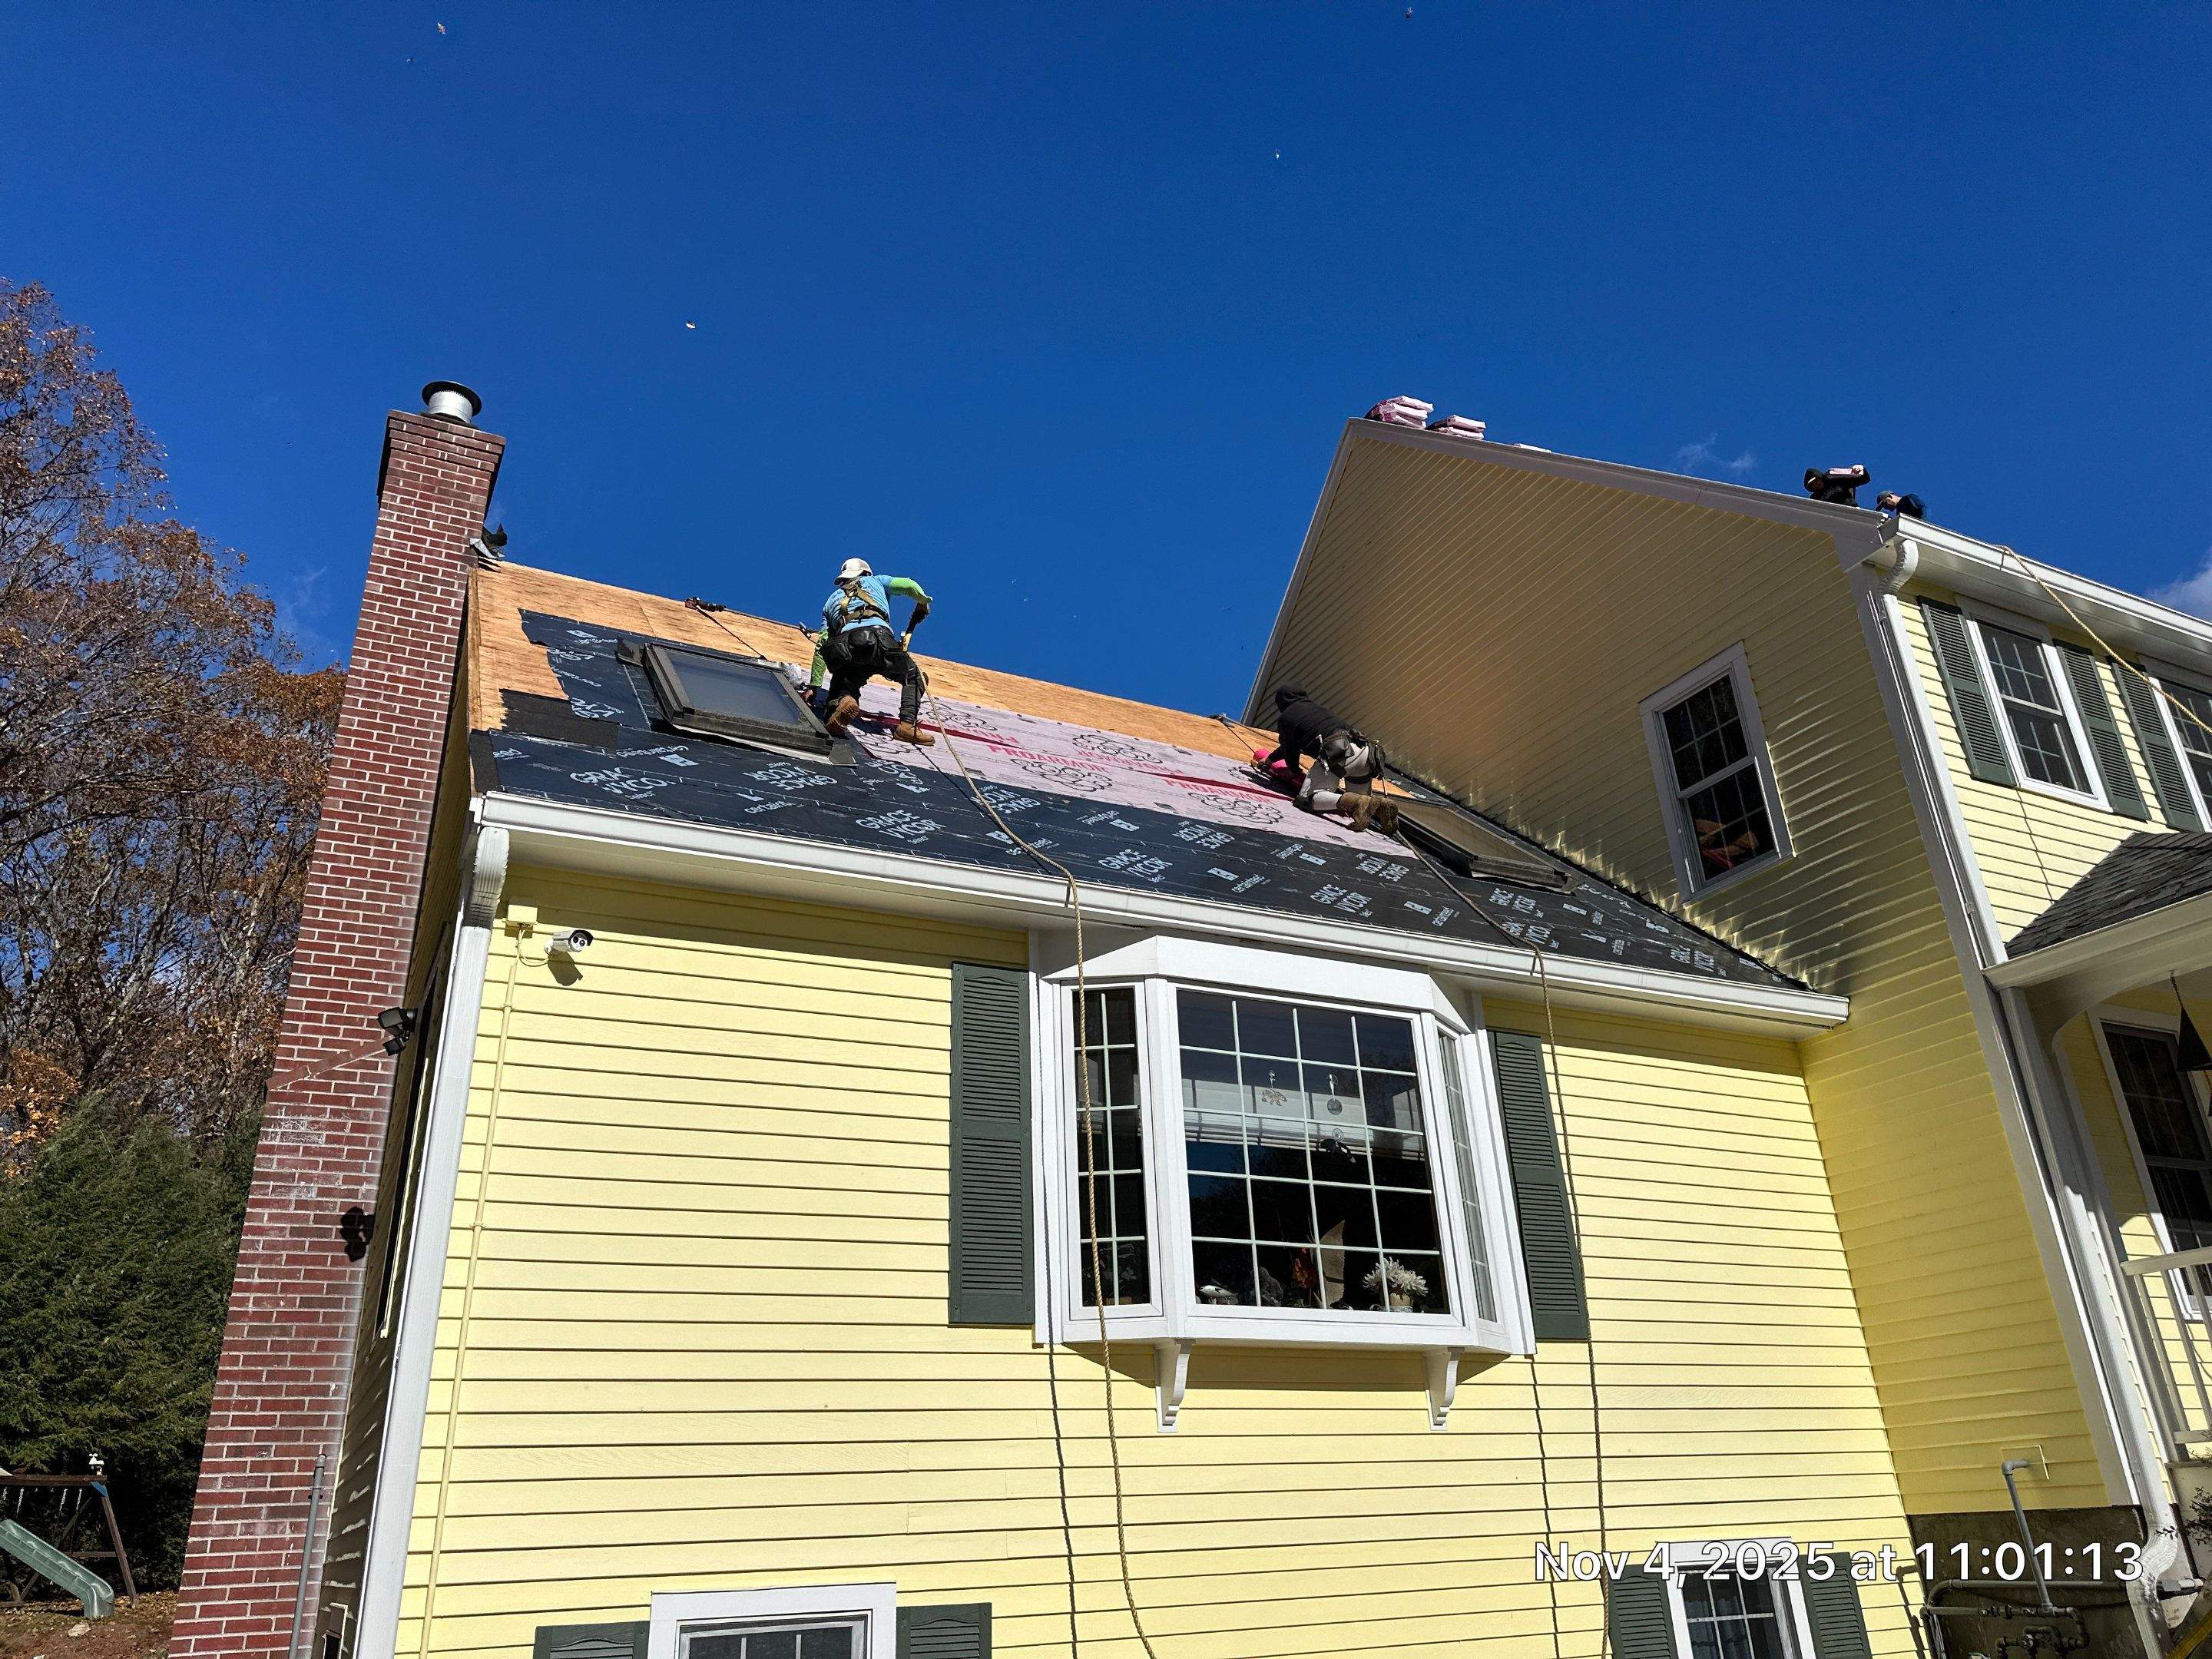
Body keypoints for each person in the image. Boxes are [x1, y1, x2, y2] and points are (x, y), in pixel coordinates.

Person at [810, 558, 934, 745]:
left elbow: (822, 645)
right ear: (866, 572)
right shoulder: (876, 581)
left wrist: (814, 686)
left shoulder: (830, 602)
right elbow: (909, 585)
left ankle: (844, 701)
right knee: (914, 677)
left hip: (847, 646)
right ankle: (907, 726)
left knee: (843, 682)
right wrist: (923, 601)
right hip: (880, 640)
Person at [1262, 685, 1399, 834]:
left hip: (1338, 753)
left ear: (1281, 701)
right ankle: (1381, 806)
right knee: (1363, 807)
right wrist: (1270, 759)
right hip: (1366, 752)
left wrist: (1293, 770)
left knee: (1307, 798)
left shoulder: (1287, 717)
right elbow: (1287, 748)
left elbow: (1289, 748)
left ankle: (1359, 802)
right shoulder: (1316, 709)